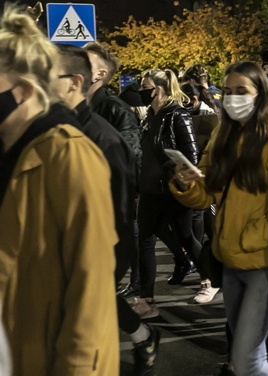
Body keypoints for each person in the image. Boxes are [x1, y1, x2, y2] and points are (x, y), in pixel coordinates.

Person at [0, 6, 119, 375]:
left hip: (42, 356)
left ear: (23, 91)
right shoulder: (12, 151)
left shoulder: (69, 154)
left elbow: (92, 291)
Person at [171, 62, 268, 376]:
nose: (233, 98)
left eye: (242, 92)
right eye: (227, 91)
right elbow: (205, 194)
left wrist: (258, 234)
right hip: (230, 260)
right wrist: (186, 182)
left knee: (249, 362)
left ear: (260, 95)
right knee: (243, 359)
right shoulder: (222, 134)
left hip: (263, 262)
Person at [53, 45, 161, 372]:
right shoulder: (56, 125)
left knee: (87, 306)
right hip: (72, 239)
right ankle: (142, 336)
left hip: (104, 239)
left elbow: (124, 176)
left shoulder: (109, 126)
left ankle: (136, 340)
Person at [134, 68, 202, 319]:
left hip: (173, 189)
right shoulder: (149, 117)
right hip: (150, 190)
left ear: (158, 89)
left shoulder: (177, 114)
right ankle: (146, 299)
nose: (141, 90)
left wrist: (182, 179)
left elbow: (191, 152)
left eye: (144, 86)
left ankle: (208, 280)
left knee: (186, 236)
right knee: (144, 241)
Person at [84, 42, 145, 297]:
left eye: (85, 62)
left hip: (108, 204)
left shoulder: (114, 108)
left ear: (100, 75)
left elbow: (131, 156)